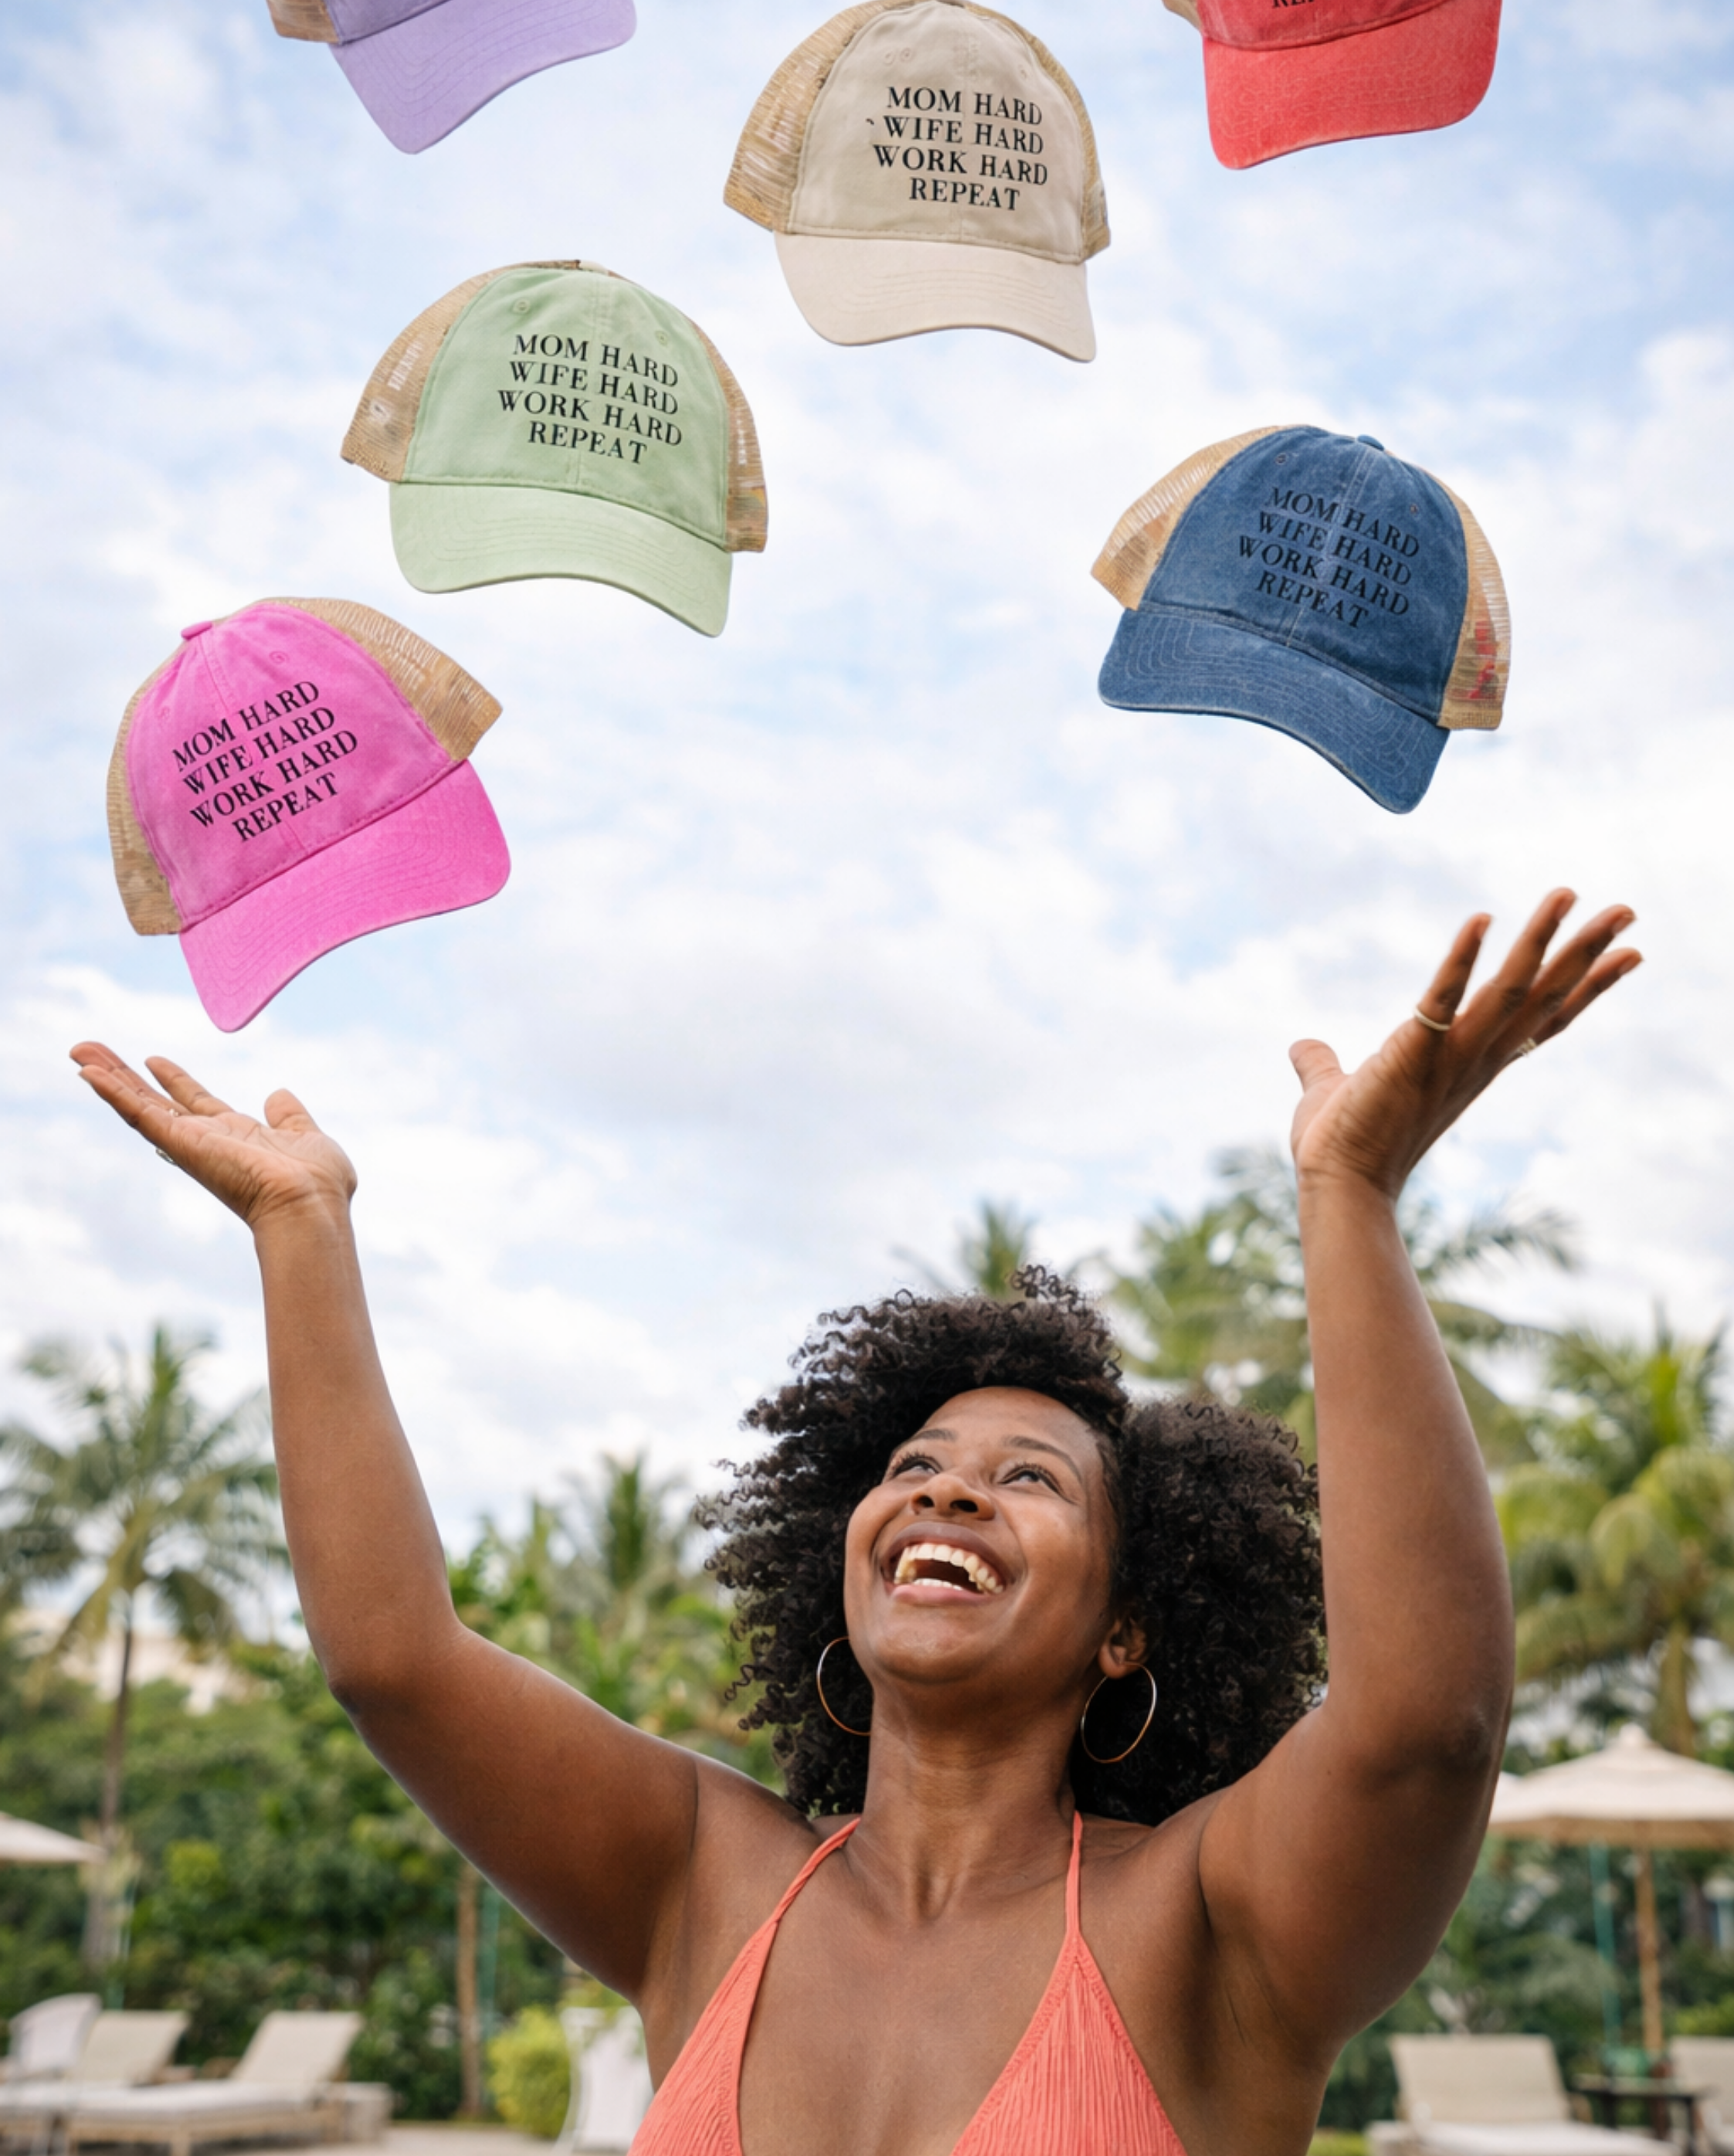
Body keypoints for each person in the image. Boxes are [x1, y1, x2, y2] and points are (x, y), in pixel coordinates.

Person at [73, 889, 1639, 2156]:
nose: (947, 1485)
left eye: (1029, 1475)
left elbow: (1428, 1722)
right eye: (916, 1462)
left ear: (1126, 1622)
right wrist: (301, 1226)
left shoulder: (1205, 1918)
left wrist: (1350, 1189)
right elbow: (392, 1655)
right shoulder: (701, 1875)